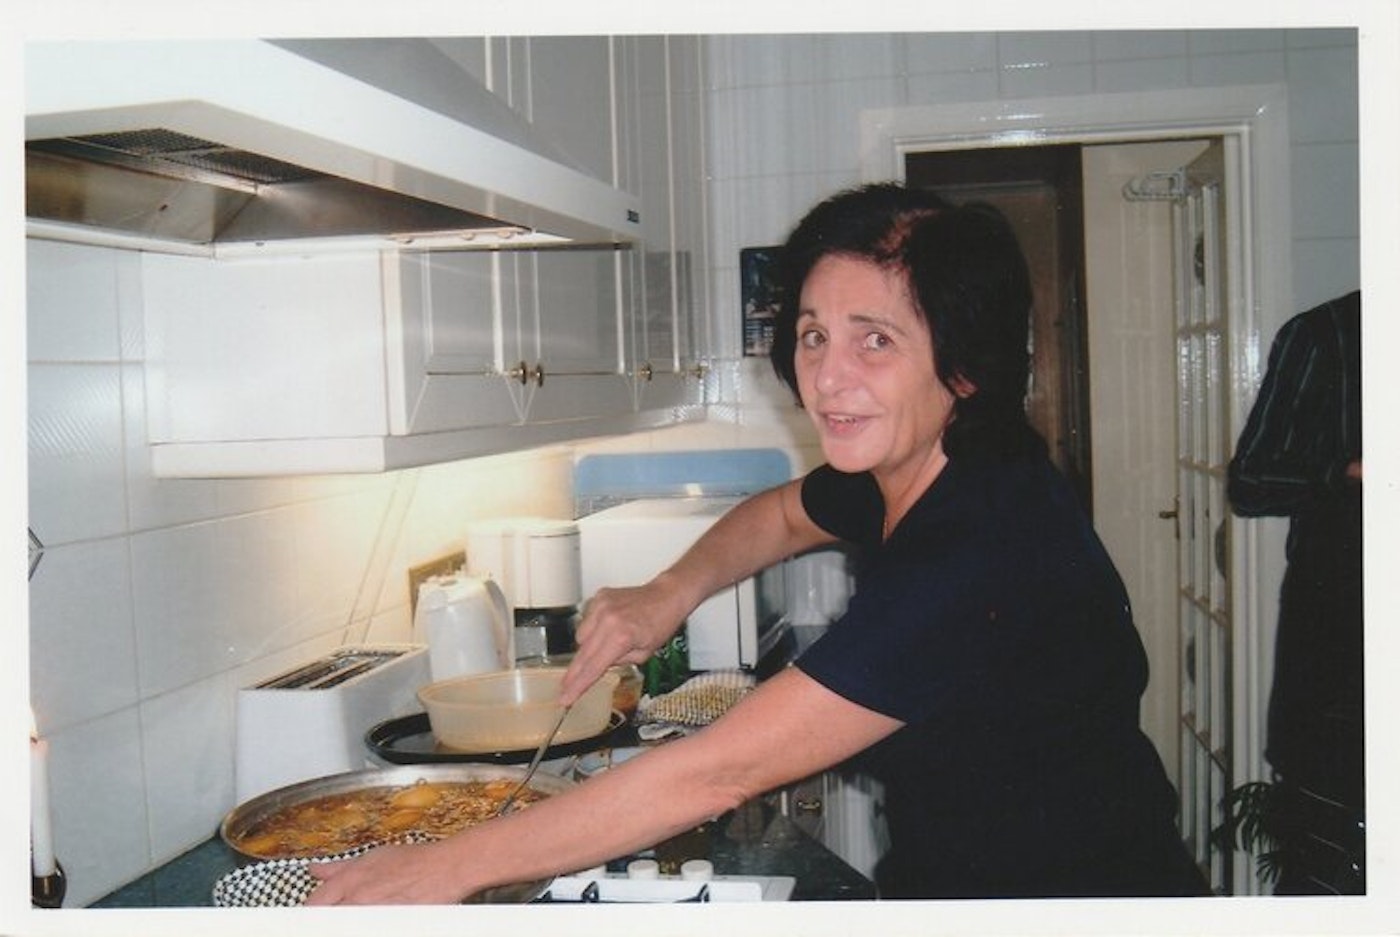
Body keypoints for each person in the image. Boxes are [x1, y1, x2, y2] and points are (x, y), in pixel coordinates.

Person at [307, 183, 1206, 904]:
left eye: (876, 340)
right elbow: (781, 513)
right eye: (814, 333)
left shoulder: (974, 550)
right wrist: (670, 592)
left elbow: (712, 773)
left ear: (964, 366)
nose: (827, 376)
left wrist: (443, 866)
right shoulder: (935, 466)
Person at [1226, 291, 1363, 894]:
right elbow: (1250, 483)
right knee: (1325, 869)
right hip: (1340, 658)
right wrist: (1350, 471)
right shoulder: (1326, 334)